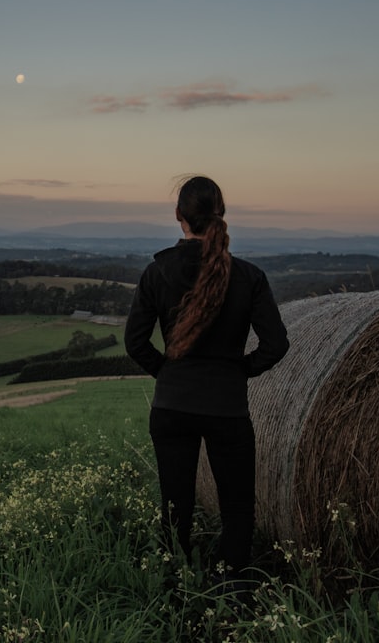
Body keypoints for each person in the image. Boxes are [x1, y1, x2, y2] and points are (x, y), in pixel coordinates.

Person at [124, 175, 289, 584]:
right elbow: (276, 344)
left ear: (179, 215)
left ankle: (174, 591)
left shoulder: (157, 272)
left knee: (175, 507)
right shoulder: (249, 277)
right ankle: (234, 592)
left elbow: (134, 341)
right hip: (227, 408)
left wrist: (166, 371)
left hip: (172, 407)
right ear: (221, 215)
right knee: (237, 509)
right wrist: (239, 370)